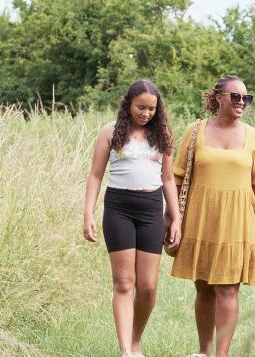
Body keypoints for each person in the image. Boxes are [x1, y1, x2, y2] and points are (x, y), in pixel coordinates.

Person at [170, 75, 255, 357]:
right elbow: (177, 178)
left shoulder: (254, 136)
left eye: (246, 98)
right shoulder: (195, 131)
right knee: (203, 288)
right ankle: (205, 351)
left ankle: (222, 355)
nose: (242, 103)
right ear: (218, 98)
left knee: (227, 289)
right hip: (200, 217)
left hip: (236, 220)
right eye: (236, 97)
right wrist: (172, 218)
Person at [82, 79, 181, 357]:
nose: (146, 113)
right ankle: (126, 351)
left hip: (151, 208)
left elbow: (169, 180)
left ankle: (136, 341)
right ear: (129, 104)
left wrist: (176, 218)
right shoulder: (110, 132)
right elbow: (95, 175)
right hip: (119, 208)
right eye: (141, 107)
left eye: (151, 109)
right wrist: (88, 212)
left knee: (148, 287)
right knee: (125, 282)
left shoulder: (163, 136)